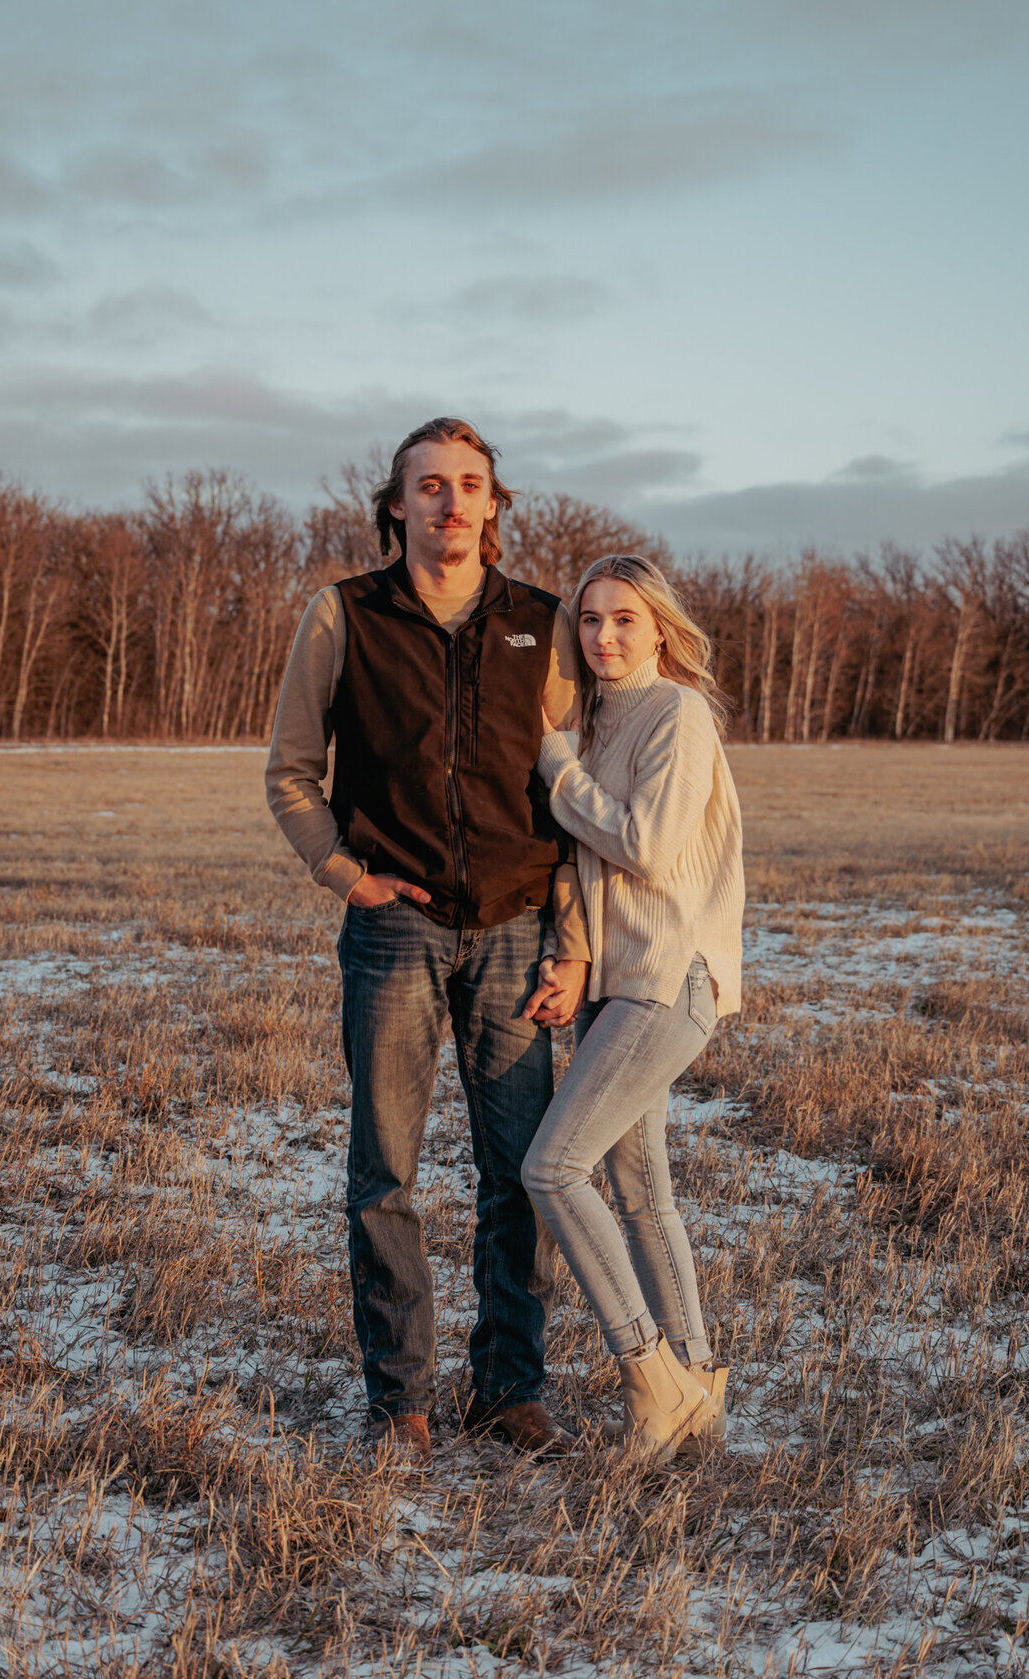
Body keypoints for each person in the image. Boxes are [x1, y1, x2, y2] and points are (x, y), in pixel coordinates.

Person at [266, 418, 591, 1470]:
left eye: (471, 485)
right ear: (395, 504)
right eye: (430, 485)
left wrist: (573, 942)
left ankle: (508, 1390)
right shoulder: (344, 615)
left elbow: (575, 800)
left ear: (496, 505)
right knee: (385, 1171)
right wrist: (344, 874)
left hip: (512, 927)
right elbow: (290, 771)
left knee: (523, 1172)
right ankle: (400, 1397)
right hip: (393, 927)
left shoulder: (542, 625)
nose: (452, 502)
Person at [521, 553, 744, 1462]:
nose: (604, 636)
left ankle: (652, 1378)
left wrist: (555, 764)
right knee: (643, 1192)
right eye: (590, 620)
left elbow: (646, 845)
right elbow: (582, 865)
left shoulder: (676, 713)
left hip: (666, 978)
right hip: (617, 984)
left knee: (553, 1168)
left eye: (624, 619)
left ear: (659, 627)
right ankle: (699, 1387)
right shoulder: (600, 718)